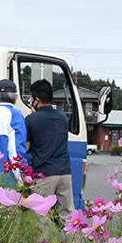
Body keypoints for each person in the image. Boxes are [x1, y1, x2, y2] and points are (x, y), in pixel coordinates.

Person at [24, 78, 74, 221]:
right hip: (65, 173)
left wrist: (33, 115)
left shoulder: (31, 120)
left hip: (44, 174)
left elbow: (26, 147)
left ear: (36, 99)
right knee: (67, 216)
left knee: (40, 217)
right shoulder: (62, 117)